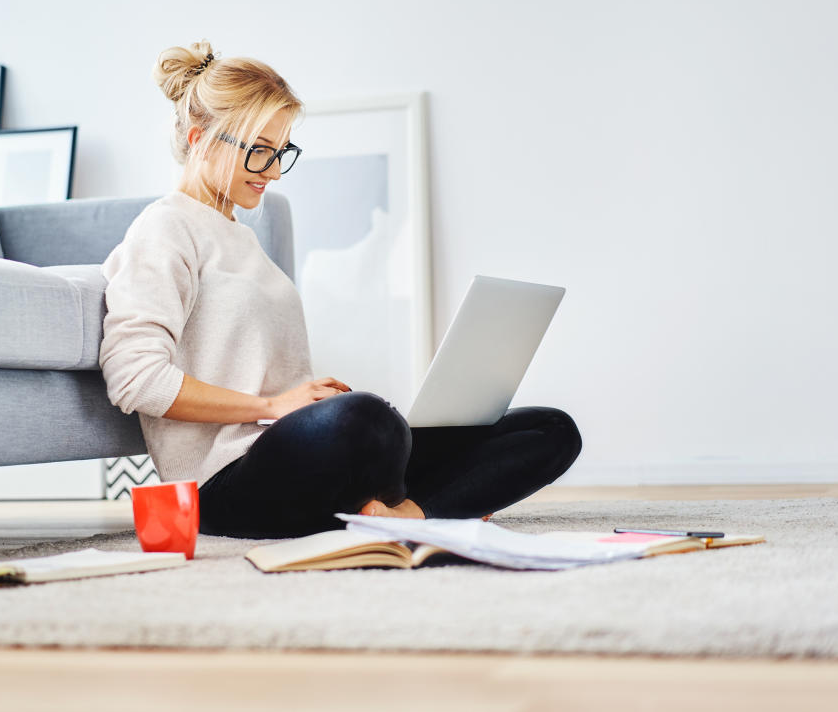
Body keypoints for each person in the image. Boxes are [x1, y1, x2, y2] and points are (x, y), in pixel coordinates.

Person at [98, 39, 582, 540]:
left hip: (297, 454)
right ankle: (430, 500)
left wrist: (305, 402)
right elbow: (135, 378)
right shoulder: (164, 229)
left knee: (549, 429)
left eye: (281, 151)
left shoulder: (241, 238)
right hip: (224, 483)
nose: (271, 170)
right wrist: (271, 407)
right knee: (369, 420)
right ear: (200, 139)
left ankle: (404, 516)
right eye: (259, 151)